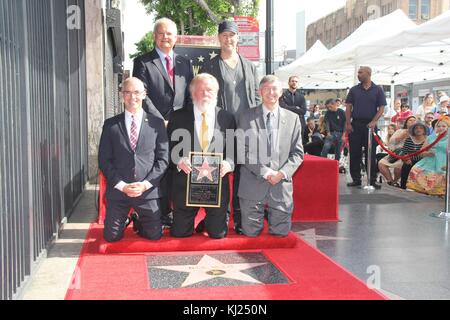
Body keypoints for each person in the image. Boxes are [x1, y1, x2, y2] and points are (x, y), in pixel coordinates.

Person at [200, 20, 261, 234]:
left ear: (238, 38)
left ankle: (241, 219)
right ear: (219, 38)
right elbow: (204, 98)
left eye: (232, 35)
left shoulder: (250, 66)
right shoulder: (209, 66)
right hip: (221, 130)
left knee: (244, 175)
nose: (228, 39)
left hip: (245, 131)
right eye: (224, 35)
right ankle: (219, 218)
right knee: (221, 174)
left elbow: (255, 97)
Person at [133, 17, 194, 228]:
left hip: (180, 128)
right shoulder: (142, 62)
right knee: (157, 167)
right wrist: (162, 120)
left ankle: (174, 210)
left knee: (176, 168)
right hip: (154, 126)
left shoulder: (184, 63)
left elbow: (189, 95)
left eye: (169, 34)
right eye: (161, 33)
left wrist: (183, 121)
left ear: (175, 38)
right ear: (154, 36)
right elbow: (142, 95)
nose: (165, 37)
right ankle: (158, 212)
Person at [98, 78, 169, 242]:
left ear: (144, 94)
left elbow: (163, 159)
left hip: (146, 190)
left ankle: (138, 220)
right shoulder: (110, 125)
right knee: (111, 237)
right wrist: (122, 186)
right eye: (127, 92)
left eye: (137, 92)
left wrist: (145, 185)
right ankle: (125, 219)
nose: (132, 97)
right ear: (122, 95)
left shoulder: (157, 124)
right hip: (120, 191)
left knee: (154, 235)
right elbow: (104, 160)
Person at [167, 74, 236, 238]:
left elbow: (234, 151)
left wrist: (229, 163)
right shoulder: (177, 117)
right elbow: (166, 149)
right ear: (192, 94)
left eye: (210, 90)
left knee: (217, 234)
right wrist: (178, 161)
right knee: (180, 234)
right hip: (185, 187)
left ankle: (209, 221)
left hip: (216, 188)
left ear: (217, 93)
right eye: (200, 90)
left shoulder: (227, 118)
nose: (205, 94)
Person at [237, 75, 304, 237]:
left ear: (281, 92)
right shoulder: (246, 117)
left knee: (280, 237)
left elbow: (297, 153)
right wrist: (265, 172)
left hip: (280, 187)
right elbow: (241, 151)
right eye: (266, 88)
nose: (271, 92)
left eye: (274, 89)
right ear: (260, 92)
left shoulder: (293, 119)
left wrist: (281, 174)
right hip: (252, 186)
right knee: (250, 236)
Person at [345, 66, 386, 189]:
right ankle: (356, 179)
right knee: (355, 153)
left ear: (368, 74)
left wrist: (374, 121)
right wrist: (348, 123)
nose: (358, 74)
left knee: (371, 154)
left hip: (370, 126)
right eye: (358, 72)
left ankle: (371, 180)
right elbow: (348, 107)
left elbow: (382, 108)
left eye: (360, 72)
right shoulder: (354, 90)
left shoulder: (378, 90)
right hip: (356, 124)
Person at [407, 117, 450, 196]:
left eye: (444, 126)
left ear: (448, 127)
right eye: (439, 126)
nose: (441, 128)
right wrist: (427, 153)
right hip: (429, 161)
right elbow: (421, 152)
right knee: (415, 169)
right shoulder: (430, 138)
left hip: (444, 162)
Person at [378, 116, 417, 187]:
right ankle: (391, 181)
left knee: (398, 167)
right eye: (410, 120)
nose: (412, 122)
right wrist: (401, 137)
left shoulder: (417, 132)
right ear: (406, 123)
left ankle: (395, 181)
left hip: (408, 154)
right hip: (397, 152)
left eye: (414, 121)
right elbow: (391, 142)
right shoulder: (400, 131)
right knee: (381, 164)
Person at [399, 122, 428, 189]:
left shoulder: (428, 139)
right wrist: (406, 159)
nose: (418, 130)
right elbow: (403, 152)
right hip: (410, 160)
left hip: (423, 161)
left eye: (421, 128)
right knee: (406, 166)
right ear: (413, 130)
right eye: (416, 128)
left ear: (424, 130)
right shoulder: (409, 139)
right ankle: (403, 187)